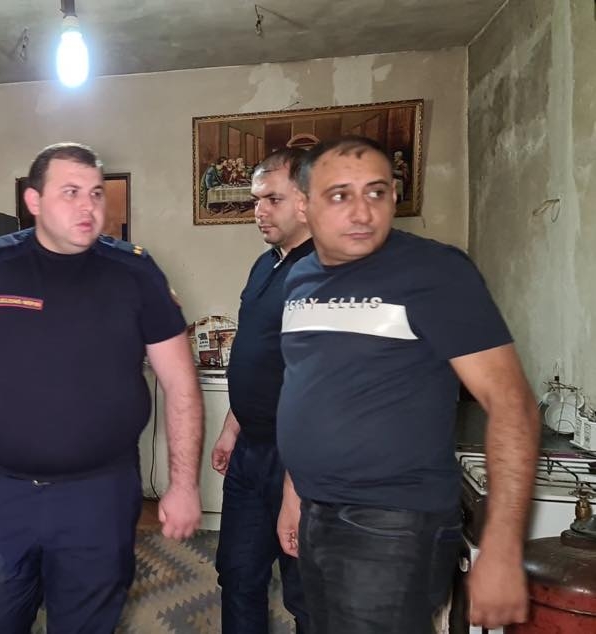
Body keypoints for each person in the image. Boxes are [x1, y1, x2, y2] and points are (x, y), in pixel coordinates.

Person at [0, 142, 204, 633]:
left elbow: (181, 383)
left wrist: (184, 484)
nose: (88, 207)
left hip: (99, 495)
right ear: (34, 201)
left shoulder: (136, 272)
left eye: (96, 193)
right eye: (70, 192)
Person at [275, 136, 539, 633]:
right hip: (317, 509)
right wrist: (294, 491)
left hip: (394, 523)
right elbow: (309, 388)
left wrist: (503, 547)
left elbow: (512, 405)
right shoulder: (300, 278)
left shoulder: (435, 272)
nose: (363, 212)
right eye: (340, 195)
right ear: (304, 205)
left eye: (376, 192)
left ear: (395, 196)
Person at [211, 147, 311, 634]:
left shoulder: (325, 272)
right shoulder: (263, 265)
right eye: (255, 200)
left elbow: (317, 382)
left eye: (273, 199)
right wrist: (232, 427)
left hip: (300, 457)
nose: (259, 211)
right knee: (237, 572)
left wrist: (296, 482)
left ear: (306, 201)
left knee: (306, 588)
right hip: (251, 450)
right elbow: (258, 355)